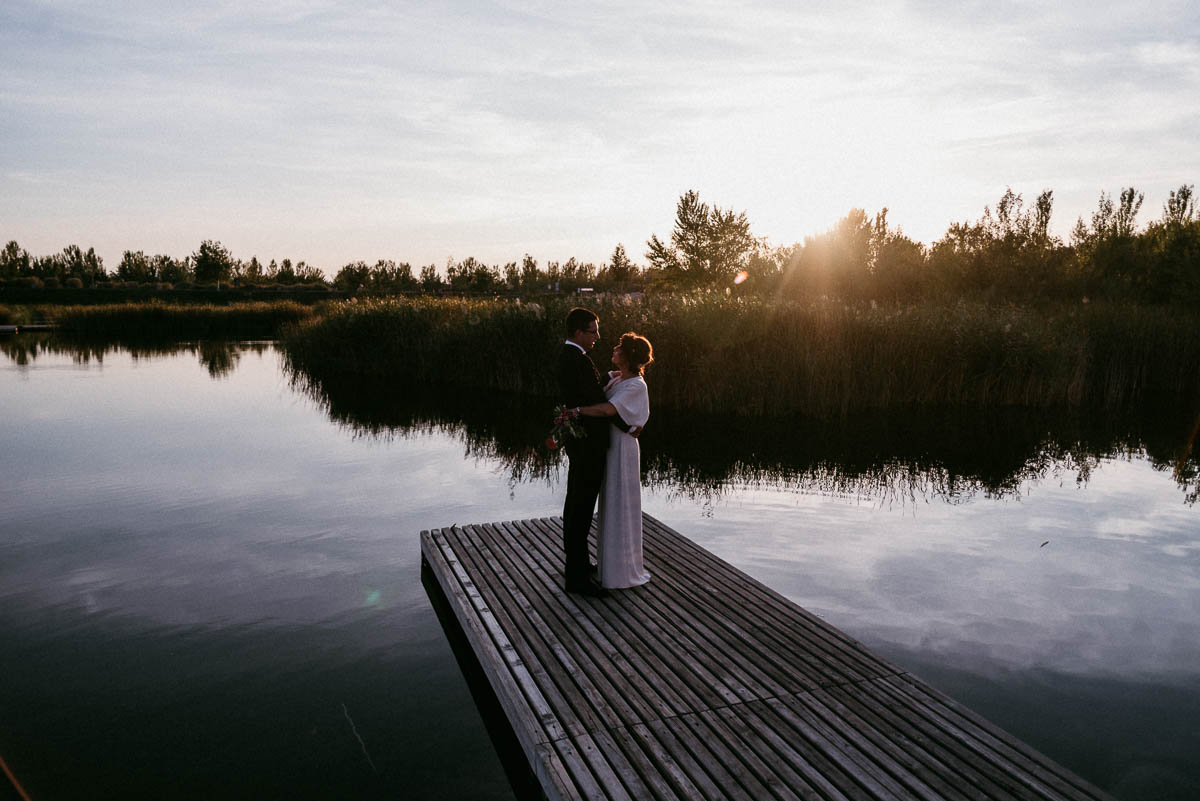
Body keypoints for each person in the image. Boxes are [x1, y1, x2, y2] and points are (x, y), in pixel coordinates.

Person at [556, 308, 639, 596]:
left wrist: (606, 377)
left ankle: (578, 564)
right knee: (579, 510)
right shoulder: (575, 360)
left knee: (577, 505)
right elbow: (595, 403)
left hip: (582, 444)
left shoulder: (573, 359)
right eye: (593, 331)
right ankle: (576, 579)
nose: (598, 337)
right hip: (587, 445)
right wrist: (629, 426)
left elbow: (589, 390)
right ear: (579, 332)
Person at [576, 333, 653, 589]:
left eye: (620, 347)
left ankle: (621, 571)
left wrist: (577, 411)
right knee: (610, 502)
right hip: (610, 446)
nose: (615, 347)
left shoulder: (637, 386)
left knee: (621, 503)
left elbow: (609, 410)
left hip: (622, 448)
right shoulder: (621, 378)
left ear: (629, 356)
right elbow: (602, 387)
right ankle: (609, 565)